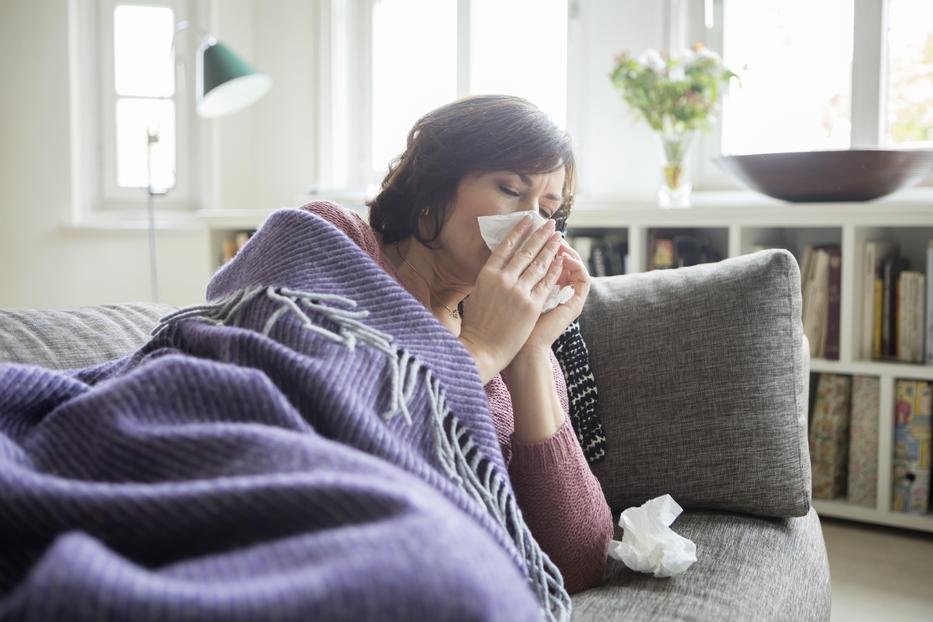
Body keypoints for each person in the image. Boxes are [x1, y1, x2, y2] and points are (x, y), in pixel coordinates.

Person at [301, 94, 613, 594]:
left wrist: (528, 354)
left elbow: (578, 563)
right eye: (511, 188)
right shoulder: (336, 239)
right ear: (434, 187)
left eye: (549, 210)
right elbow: (324, 428)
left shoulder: (524, 349)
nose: (532, 223)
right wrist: (482, 347)